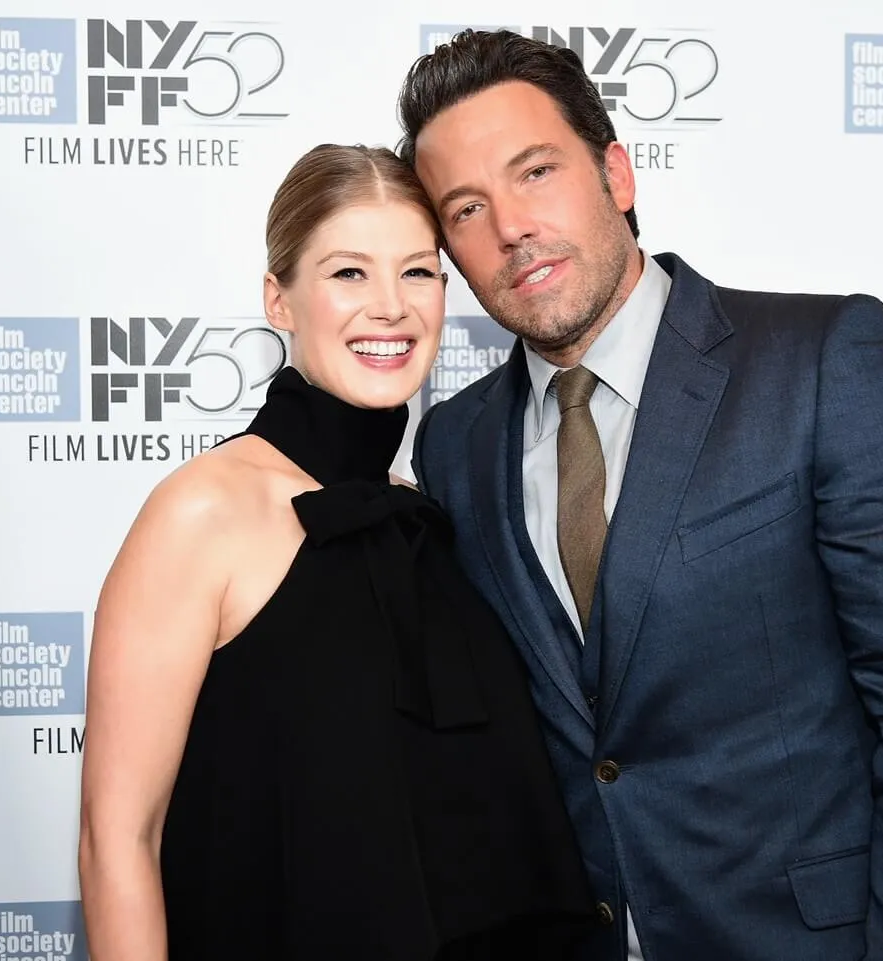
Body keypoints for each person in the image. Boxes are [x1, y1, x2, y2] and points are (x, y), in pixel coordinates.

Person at [398, 29, 883, 961]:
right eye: (467, 208)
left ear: (617, 173)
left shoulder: (820, 361)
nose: (510, 228)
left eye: (535, 173)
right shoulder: (453, 443)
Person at [77, 143, 597, 961]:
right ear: (278, 300)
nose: (389, 307)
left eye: (417, 272)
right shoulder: (203, 511)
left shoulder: (427, 516)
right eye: (348, 273)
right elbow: (118, 842)